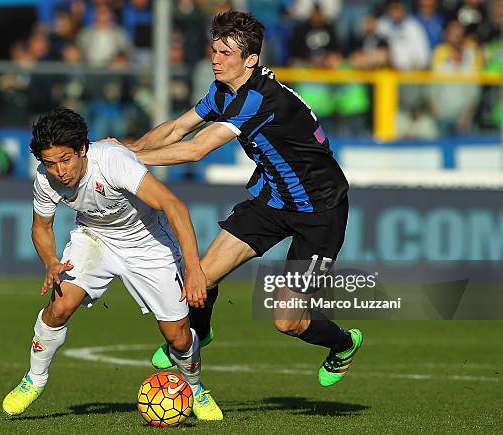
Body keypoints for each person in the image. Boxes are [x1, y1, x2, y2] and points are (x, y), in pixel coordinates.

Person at [129, 11, 363, 388]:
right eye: (214, 50)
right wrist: (129, 148)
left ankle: (343, 343)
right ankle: (198, 335)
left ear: (250, 60)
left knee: (288, 321)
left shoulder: (259, 99)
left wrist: (128, 160)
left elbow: (194, 150)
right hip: (271, 200)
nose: (216, 59)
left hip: (320, 210)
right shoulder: (223, 91)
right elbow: (176, 128)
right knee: (200, 278)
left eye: (226, 53)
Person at [2, 107, 222, 420]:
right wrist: (50, 261)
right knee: (60, 305)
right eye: (50, 164)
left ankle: (195, 388)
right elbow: (41, 227)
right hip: (94, 238)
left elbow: (174, 206)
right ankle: (34, 379)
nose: (60, 171)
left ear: (82, 150)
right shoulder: (45, 179)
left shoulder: (113, 161)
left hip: (147, 243)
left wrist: (194, 269)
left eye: (66, 159)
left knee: (178, 336)